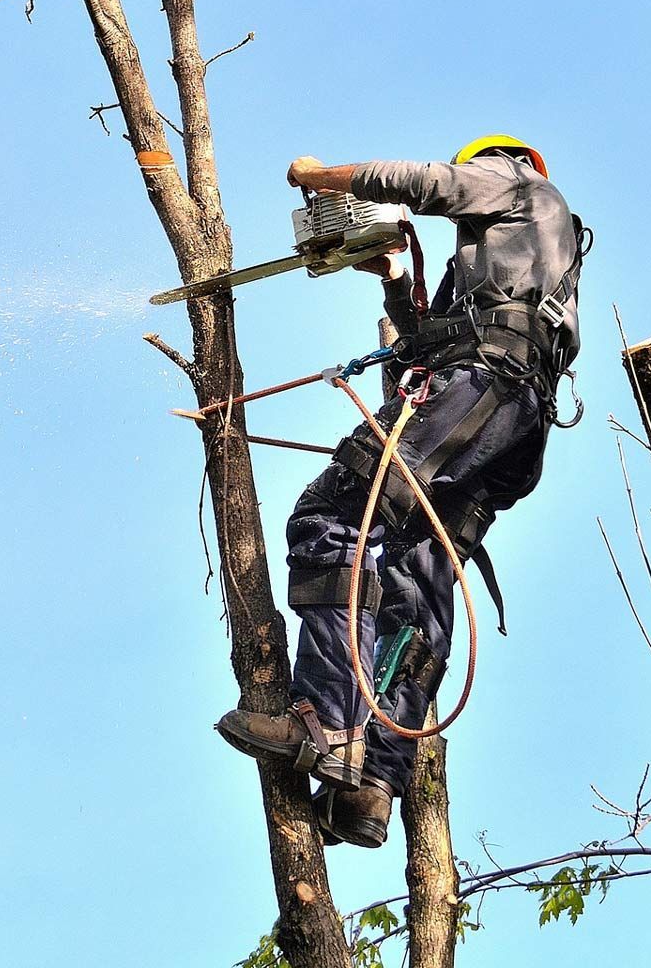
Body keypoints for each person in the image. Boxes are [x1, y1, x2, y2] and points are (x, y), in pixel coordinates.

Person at [215, 137, 584, 849]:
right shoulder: (517, 265)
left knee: (331, 513)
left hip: (480, 392)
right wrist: (391, 277)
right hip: (508, 421)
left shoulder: (518, 185)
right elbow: (423, 348)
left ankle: (322, 722)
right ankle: (370, 790)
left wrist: (319, 174)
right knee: (412, 586)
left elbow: (424, 182)